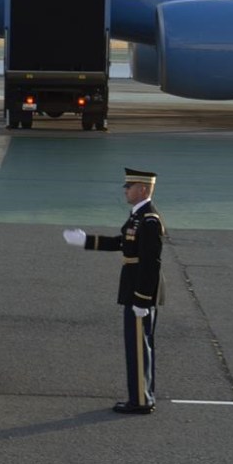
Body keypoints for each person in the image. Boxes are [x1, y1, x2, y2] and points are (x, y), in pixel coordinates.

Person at [63, 168, 166, 415]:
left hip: (140, 291)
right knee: (139, 346)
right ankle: (142, 395)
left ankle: (141, 401)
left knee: (139, 347)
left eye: (129, 187)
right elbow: (120, 242)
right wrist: (86, 241)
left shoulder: (149, 220)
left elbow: (151, 263)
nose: (125, 190)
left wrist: (142, 299)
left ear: (142, 189)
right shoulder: (137, 217)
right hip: (133, 287)